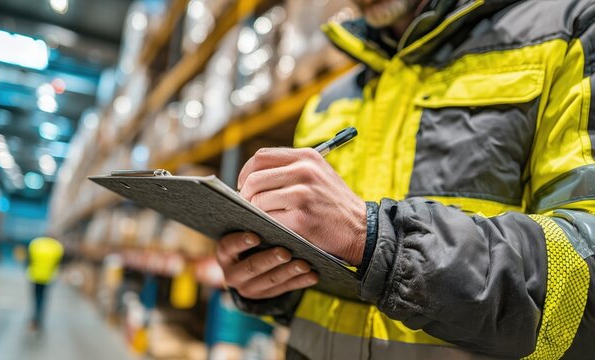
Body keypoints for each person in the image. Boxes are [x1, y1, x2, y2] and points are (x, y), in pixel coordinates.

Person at [216, 0, 595, 358]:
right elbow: (323, 291)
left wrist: (375, 238)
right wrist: (268, 279)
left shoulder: (569, 32)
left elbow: (585, 280)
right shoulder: (327, 101)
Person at [27, 236, 64, 332]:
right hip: (48, 277)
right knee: (43, 298)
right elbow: (58, 263)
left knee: (36, 297)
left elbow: (29, 260)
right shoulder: (56, 247)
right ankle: (39, 317)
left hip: (35, 275)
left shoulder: (35, 244)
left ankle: (35, 317)